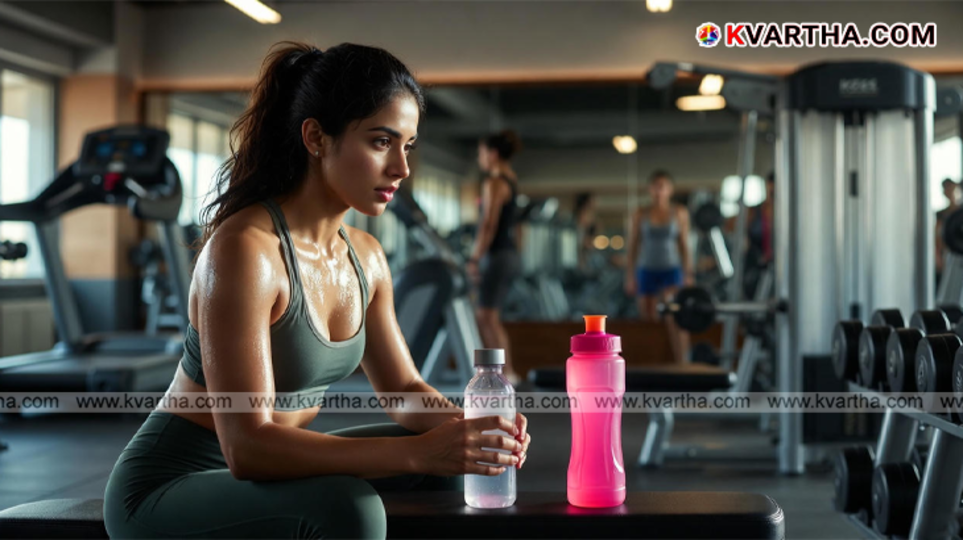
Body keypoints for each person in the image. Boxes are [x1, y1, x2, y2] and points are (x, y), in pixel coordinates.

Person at [104, 42, 531, 540]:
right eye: (381, 142)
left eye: (408, 146)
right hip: (171, 484)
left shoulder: (366, 256)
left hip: (267, 469)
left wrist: (472, 427)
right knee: (353, 508)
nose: (401, 168)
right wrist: (418, 451)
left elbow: (404, 391)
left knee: (450, 465)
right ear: (316, 138)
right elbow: (247, 447)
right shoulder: (247, 249)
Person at [467, 131, 522, 383]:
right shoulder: (511, 180)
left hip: (497, 255)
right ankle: (503, 373)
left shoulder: (494, 183)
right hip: (507, 254)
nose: (479, 158)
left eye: (481, 153)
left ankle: (505, 374)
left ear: (493, 154)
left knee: (486, 316)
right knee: (488, 316)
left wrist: (474, 258)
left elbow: (488, 224)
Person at [624, 170, 693, 364]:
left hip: (671, 269)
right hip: (646, 270)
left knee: (675, 317)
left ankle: (683, 363)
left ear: (670, 190)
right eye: (655, 186)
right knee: (649, 321)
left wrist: (688, 274)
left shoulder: (679, 212)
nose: (659, 190)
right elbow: (633, 246)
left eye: (662, 186)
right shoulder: (640, 213)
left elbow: (684, 245)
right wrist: (629, 276)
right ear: (650, 189)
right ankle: (651, 365)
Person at [936, 178, 960, 280]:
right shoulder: (941, 214)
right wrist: (938, 256)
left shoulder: (960, 211)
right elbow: (937, 236)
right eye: (946, 188)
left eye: (951, 188)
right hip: (947, 253)